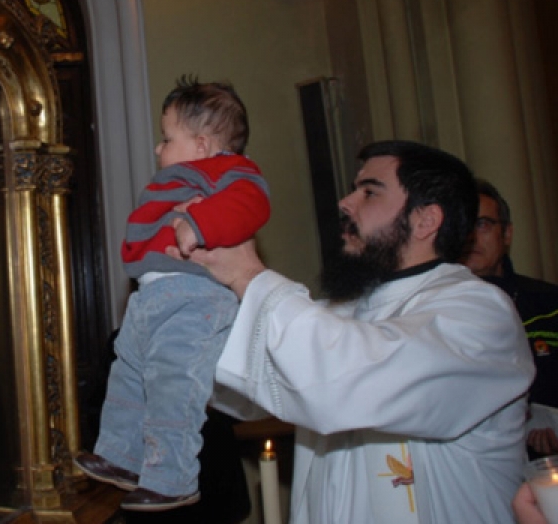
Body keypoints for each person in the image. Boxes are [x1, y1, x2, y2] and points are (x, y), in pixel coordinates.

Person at [177, 140, 534, 523]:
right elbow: (246, 388)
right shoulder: (343, 313)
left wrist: (247, 274)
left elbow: (350, 379)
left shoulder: (481, 315)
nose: (346, 203)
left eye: (369, 192)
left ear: (426, 220)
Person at [74, 76, 272, 511]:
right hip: (152, 298)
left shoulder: (230, 172)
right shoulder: (183, 179)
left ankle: (173, 477)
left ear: (202, 145)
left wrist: (200, 225)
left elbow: (252, 204)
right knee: (127, 375)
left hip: (195, 296)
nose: (158, 149)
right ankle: (122, 456)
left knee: (173, 384)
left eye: (167, 139)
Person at [461, 178, 558, 457]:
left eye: (482, 224)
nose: (470, 236)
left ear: (507, 234)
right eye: (462, 225)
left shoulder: (549, 303)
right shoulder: (430, 313)